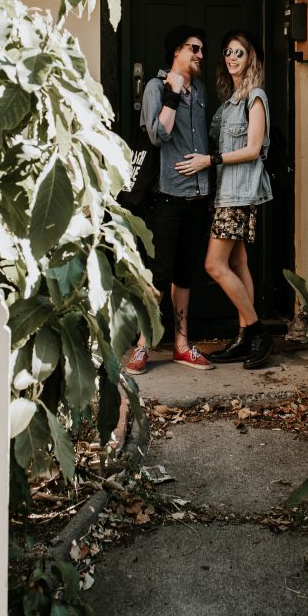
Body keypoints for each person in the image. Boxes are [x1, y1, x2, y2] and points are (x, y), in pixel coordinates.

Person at [175, 30, 273, 370]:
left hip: (238, 193)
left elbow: (253, 149)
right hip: (224, 192)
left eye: (239, 53)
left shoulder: (254, 98)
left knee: (214, 265)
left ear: (251, 60)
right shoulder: (232, 100)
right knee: (237, 264)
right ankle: (246, 336)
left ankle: (258, 332)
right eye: (228, 52)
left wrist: (210, 160)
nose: (232, 58)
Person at [125, 25, 215, 375]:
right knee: (158, 273)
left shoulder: (203, 91)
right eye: (195, 48)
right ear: (177, 50)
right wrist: (173, 94)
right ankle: (143, 345)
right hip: (166, 195)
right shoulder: (154, 87)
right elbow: (158, 135)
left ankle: (181, 345)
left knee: (185, 274)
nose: (200, 55)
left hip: (198, 194)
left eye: (202, 49)